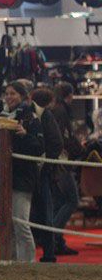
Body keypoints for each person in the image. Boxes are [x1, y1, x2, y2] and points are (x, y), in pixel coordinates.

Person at [0, 81, 45, 262]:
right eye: (7, 93)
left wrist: (25, 135)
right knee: (5, 224)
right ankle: (10, 261)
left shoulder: (31, 118)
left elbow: (39, 148)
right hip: (1, 177)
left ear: (22, 96)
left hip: (23, 178)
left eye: (13, 93)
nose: (9, 97)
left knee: (21, 224)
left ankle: (27, 264)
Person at [29, 88, 64, 262]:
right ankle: (49, 251)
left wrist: (44, 163)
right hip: (42, 171)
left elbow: (56, 143)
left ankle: (49, 252)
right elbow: (57, 143)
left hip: (41, 172)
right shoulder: (45, 115)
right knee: (44, 211)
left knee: (43, 211)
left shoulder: (45, 116)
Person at [49, 83, 80, 256]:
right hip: (62, 162)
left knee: (60, 202)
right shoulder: (62, 111)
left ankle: (56, 242)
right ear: (69, 95)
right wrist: (78, 148)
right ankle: (52, 237)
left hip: (57, 162)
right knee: (71, 200)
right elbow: (63, 137)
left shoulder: (55, 110)